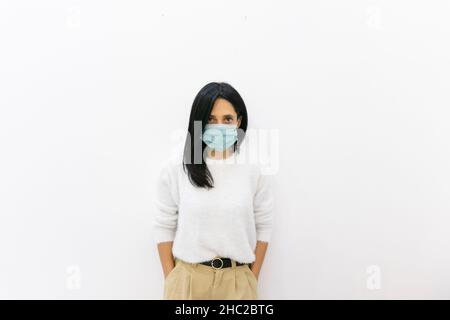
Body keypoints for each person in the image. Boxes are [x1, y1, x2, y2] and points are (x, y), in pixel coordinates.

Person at [153, 82, 274, 299]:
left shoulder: (255, 170)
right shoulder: (176, 168)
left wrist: (251, 280)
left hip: (237, 283)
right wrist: (171, 279)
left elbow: (264, 225)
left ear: (239, 121)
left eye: (227, 119)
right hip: (188, 282)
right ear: (199, 122)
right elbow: (164, 224)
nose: (219, 126)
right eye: (210, 119)